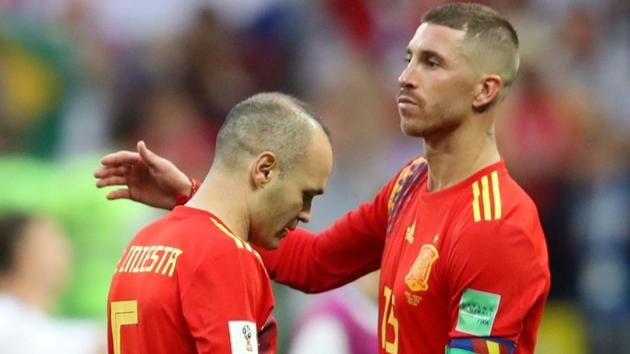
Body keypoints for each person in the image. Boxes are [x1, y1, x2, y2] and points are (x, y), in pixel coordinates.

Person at [95, 3, 550, 353]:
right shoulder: (411, 183)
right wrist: (203, 200)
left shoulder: (498, 226)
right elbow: (315, 264)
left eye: (431, 64)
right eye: (408, 59)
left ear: (485, 89)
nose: (405, 78)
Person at [103, 92, 333, 354]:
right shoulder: (225, 255)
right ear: (264, 170)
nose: (306, 214)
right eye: (305, 195)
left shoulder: (141, 244)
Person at [0, 212, 103, 354]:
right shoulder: (7, 319)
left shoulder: (32, 324)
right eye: (52, 243)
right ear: (23, 255)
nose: (68, 251)